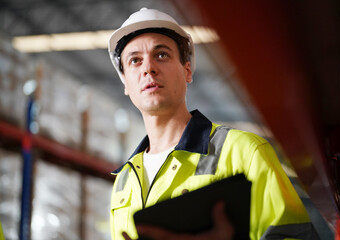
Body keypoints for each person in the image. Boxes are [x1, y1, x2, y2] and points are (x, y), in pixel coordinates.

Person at [108, 8, 319, 240]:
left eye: (161, 55)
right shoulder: (124, 182)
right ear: (126, 84)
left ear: (187, 70)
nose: (148, 68)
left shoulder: (245, 151)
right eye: (135, 60)